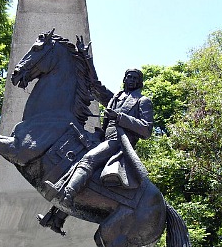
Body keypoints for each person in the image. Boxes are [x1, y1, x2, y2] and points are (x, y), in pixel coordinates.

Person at [61, 67, 154, 206]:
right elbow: (97, 87)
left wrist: (119, 117)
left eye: (135, 78)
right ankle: (57, 216)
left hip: (119, 142)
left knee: (89, 159)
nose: (132, 80)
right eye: (129, 76)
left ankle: (67, 194)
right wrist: (86, 62)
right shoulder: (115, 98)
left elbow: (146, 129)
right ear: (124, 78)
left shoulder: (143, 101)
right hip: (103, 138)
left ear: (139, 82)